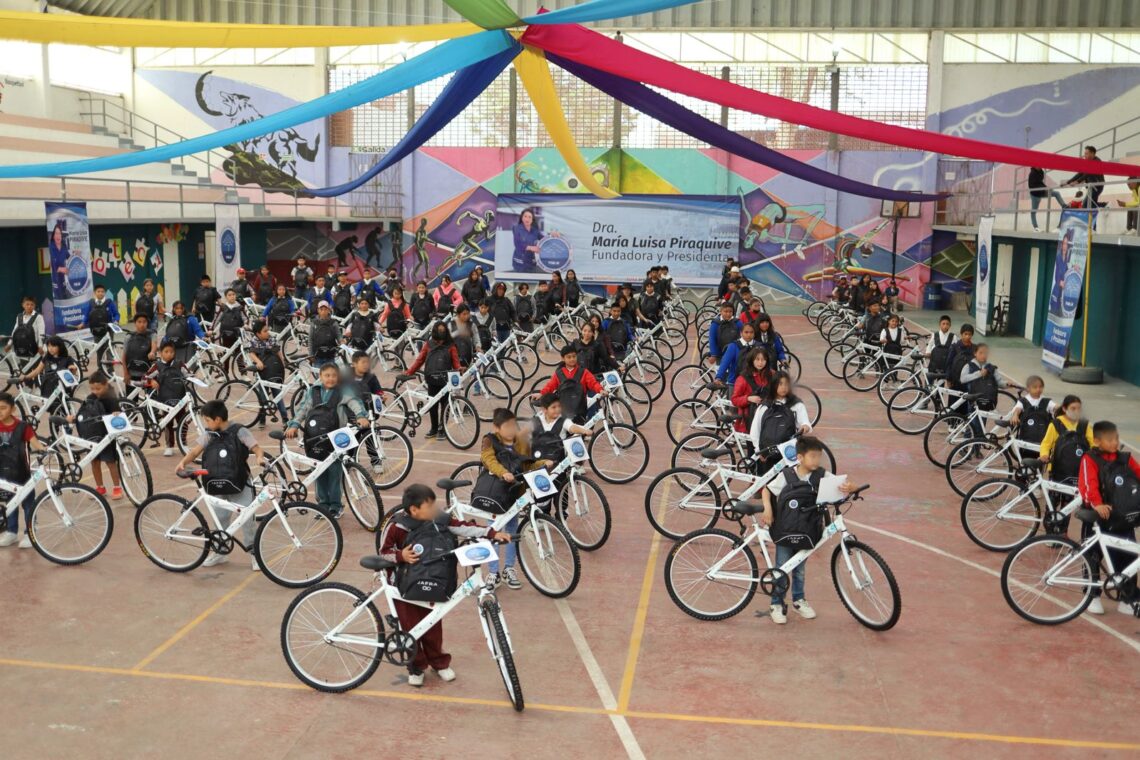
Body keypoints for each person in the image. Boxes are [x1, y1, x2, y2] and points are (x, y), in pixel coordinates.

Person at [377, 483, 508, 686]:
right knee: (411, 628)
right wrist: (400, 555)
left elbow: (464, 527)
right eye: (429, 506)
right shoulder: (397, 527)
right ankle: (416, 667)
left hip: (434, 582)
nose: (435, 509)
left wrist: (491, 533)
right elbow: (383, 553)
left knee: (433, 626)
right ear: (414, 510)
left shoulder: (440, 520)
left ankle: (439, 663)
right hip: (403, 588)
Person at [759, 436, 855, 624]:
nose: (816, 461)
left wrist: (852, 487)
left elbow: (842, 484)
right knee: (781, 568)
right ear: (800, 457)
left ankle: (798, 599)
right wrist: (768, 508)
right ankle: (776, 603)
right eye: (812, 456)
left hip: (807, 530)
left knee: (800, 568)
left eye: (818, 457)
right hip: (784, 530)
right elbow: (767, 490)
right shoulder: (787, 475)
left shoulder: (821, 475)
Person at [177, 399, 267, 570]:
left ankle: (255, 554)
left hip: (240, 482)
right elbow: (196, 450)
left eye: (207, 420)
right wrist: (183, 462)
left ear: (217, 419)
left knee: (247, 518)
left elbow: (256, 448)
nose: (206, 424)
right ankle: (220, 551)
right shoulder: (210, 434)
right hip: (216, 483)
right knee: (220, 519)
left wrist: (259, 457)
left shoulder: (239, 431)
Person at [480, 408, 551, 589]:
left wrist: (544, 463)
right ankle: (493, 572)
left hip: (515, 492)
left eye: (514, 425)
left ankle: (509, 568)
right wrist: (503, 472)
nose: (512, 430)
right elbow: (489, 460)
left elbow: (527, 462)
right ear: (496, 428)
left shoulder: (521, 442)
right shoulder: (489, 440)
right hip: (495, 494)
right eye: (508, 426)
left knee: (512, 530)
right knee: (493, 531)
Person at [286, 363, 369, 516]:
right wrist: (294, 425)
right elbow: (303, 409)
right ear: (320, 376)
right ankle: (323, 505)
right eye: (327, 375)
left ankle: (336, 506)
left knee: (335, 473)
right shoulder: (313, 391)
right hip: (314, 439)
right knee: (318, 472)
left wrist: (361, 416)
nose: (330, 379)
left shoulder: (343, 391)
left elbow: (355, 402)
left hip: (336, 438)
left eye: (333, 375)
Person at [1078, 420, 1140, 616]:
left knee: (1129, 556)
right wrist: (1097, 504)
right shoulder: (1090, 459)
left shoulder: (1125, 458)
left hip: (1123, 518)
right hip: (1098, 517)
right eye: (1110, 439)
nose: (1115, 442)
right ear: (1097, 441)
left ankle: (1127, 598)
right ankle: (1092, 595)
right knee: (1093, 557)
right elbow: (1088, 485)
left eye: (1117, 438)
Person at [67, 371, 124, 501]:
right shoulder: (90, 398)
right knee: (95, 462)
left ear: (106, 385)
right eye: (92, 388)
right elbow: (83, 412)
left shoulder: (111, 398)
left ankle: (117, 487)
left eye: (98, 388)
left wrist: (116, 413)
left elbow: (117, 410)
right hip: (93, 435)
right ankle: (100, 487)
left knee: (110, 462)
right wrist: (74, 418)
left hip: (106, 436)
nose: (95, 391)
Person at [0, 391, 46, 548]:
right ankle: (11, 532)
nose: (0, 411)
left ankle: (29, 533)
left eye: (3, 408)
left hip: (22, 473)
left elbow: (35, 442)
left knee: (28, 504)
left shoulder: (22, 427)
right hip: (3, 475)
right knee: (9, 503)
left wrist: (42, 449)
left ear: (13, 409)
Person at [402, 322, 460, 439]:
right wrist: (409, 372)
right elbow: (420, 360)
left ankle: (442, 428)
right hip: (431, 379)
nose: (441, 332)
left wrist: (460, 369)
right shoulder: (428, 344)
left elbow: (456, 362)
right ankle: (434, 428)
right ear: (434, 331)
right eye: (439, 330)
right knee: (433, 405)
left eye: (443, 330)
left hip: (445, 380)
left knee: (445, 405)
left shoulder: (451, 346)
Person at [749, 371, 812, 471]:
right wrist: (759, 450)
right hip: (767, 454)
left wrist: (805, 426)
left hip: (789, 453)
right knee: (769, 484)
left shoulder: (796, 404)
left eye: (786, 384)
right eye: (780, 384)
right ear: (774, 385)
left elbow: (805, 422)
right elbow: (755, 430)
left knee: (789, 483)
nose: (784, 387)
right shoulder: (764, 406)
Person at [534, 345, 606, 424]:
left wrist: (600, 390)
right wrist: (541, 393)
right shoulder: (559, 374)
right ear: (562, 358)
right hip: (563, 409)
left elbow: (593, 383)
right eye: (568, 357)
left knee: (579, 430)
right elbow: (550, 386)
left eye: (574, 356)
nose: (572, 359)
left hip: (580, 409)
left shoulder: (584, 372)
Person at [145, 339, 190, 457]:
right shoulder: (157, 366)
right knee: (168, 424)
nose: (169, 354)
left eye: (171, 351)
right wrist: (152, 381)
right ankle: (169, 446)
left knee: (183, 423)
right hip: (165, 400)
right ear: (161, 353)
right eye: (166, 351)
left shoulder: (179, 364)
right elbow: (145, 378)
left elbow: (189, 374)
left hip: (180, 399)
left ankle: (183, 443)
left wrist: (192, 379)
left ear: (174, 352)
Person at [1039, 394, 1093, 486]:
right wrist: (1044, 454)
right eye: (1073, 408)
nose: (1077, 411)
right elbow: (1046, 443)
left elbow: (1093, 443)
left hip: (1080, 466)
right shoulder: (1056, 424)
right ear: (1064, 409)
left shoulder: (1084, 424)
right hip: (1059, 466)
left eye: (1079, 409)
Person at [20, 336, 79, 415]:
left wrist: (73, 369)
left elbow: (71, 372)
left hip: (62, 388)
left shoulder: (67, 358)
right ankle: (56, 426)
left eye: (53, 346)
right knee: (53, 411)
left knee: (65, 409)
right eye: (48, 346)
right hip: (48, 387)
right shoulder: (46, 358)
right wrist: (26, 377)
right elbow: (37, 371)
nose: (50, 348)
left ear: (60, 346)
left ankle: (65, 426)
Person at [349, 351, 385, 473]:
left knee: (370, 438)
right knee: (352, 439)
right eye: (362, 362)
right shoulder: (346, 378)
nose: (366, 365)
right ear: (354, 364)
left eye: (367, 362)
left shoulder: (371, 378)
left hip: (368, 414)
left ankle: (376, 462)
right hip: (351, 415)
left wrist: (381, 396)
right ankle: (350, 461)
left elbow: (379, 392)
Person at [247, 320, 288, 423]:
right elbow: (251, 353)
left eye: (268, 330)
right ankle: (262, 419)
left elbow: (278, 352)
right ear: (258, 333)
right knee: (263, 397)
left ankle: (285, 418)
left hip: (274, 371)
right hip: (261, 373)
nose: (268, 332)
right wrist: (258, 362)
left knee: (278, 395)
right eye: (265, 331)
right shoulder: (254, 341)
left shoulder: (272, 339)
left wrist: (283, 364)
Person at [732, 348, 773, 434]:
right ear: (752, 360)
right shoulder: (743, 378)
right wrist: (748, 399)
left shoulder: (772, 375)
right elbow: (734, 399)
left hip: (768, 417)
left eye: (763, 359)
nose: (760, 363)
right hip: (749, 420)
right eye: (757, 359)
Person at [1008, 375, 1056, 448]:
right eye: (1035, 387)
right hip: (1026, 439)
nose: (1038, 389)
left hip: (1043, 439)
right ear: (1028, 389)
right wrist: (1015, 415)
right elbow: (1018, 408)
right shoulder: (1023, 401)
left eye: (1041, 387)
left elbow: (1056, 407)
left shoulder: (1047, 401)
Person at [1063, 146, 1105, 222]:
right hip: (1091, 187)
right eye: (1084, 154)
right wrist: (1068, 181)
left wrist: (1078, 181)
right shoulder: (1087, 162)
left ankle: (1104, 205)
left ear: (1092, 153)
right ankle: (1103, 206)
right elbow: (1080, 173)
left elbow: (1088, 174)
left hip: (1097, 187)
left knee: (1087, 205)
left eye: (1086, 153)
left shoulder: (1097, 161)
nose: (1085, 155)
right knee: (1090, 206)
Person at [79, 285, 118, 362]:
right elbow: (87, 315)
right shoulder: (91, 303)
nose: (100, 293)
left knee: (109, 350)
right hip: (96, 330)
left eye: (102, 292)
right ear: (94, 293)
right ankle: (100, 370)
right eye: (98, 291)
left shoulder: (109, 303)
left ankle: (110, 371)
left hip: (108, 331)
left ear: (105, 293)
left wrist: (116, 321)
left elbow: (116, 314)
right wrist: (83, 323)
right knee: (99, 351)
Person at [164, 300, 206, 365]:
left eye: (181, 308)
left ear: (184, 308)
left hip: (188, 348)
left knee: (188, 369)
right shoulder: (172, 319)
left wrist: (203, 337)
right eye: (177, 308)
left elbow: (198, 330)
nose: (179, 310)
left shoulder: (190, 318)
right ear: (173, 309)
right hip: (174, 348)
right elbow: (168, 334)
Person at [715, 322, 756, 387]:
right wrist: (719, 377)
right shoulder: (733, 346)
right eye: (746, 332)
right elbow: (725, 362)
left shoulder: (758, 346)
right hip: (734, 382)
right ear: (741, 333)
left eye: (751, 332)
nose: (749, 335)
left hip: (753, 382)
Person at [1028, 167, 1066, 232]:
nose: (1040, 167)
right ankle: (1036, 227)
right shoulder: (1032, 174)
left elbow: (1040, 182)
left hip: (1042, 192)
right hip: (1035, 194)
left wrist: (1046, 188)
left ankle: (1064, 205)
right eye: (1038, 166)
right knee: (1033, 211)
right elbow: (1031, 186)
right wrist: (1044, 188)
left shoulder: (1041, 172)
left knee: (1056, 193)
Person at [9, 295, 44, 364]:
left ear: (34, 306)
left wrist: (40, 346)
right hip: (22, 348)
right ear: (23, 305)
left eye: (32, 304)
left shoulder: (38, 317)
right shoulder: (19, 317)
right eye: (27, 304)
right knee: (24, 370)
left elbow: (41, 333)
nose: (29, 306)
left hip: (35, 349)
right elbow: (14, 332)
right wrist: (9, 343)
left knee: (35, 370)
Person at [121, 313, 156, 383]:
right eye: (139, 322)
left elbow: (154, 344)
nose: (142, 324)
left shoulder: (152, 334)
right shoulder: (129, 336)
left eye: (144, 322)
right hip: (131, 373)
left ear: (147, 323)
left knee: (149, 394)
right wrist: (125, 373)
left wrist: (152, 352)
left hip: (147, 374)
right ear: (135, 323)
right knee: (131, 394)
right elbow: (124, 356)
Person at [707, 301, 742, 367]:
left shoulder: (737, 322)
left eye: (730, 312)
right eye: (725, 311)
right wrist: (714, 354)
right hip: (720, 354)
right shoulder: (715, 323)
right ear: (721, 311)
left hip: (735, 353)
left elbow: (744, 335)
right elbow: (712, 339)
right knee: (721, 372)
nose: (728, 314)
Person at [945, 324, 976, 391]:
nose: (967, 336)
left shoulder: (975, 348)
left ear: (972, 335)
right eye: (965, 334)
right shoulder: (954, 347)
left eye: (969, 334)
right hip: (955, 382)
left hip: (969, 382)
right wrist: (948, 379)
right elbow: (949, 364)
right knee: (954, 401)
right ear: (961, 334)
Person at [925, 315, 956, 379]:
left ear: (950, 325)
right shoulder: (935, 335)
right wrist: (928, 352)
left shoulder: (953, 337)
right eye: (943, 324)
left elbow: (955, 349)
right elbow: (930, 344)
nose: (945, 326)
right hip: (934, 362)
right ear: (940, 324)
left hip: (946, 363)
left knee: (942, 380)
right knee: (930, 379)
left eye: (947, 324)